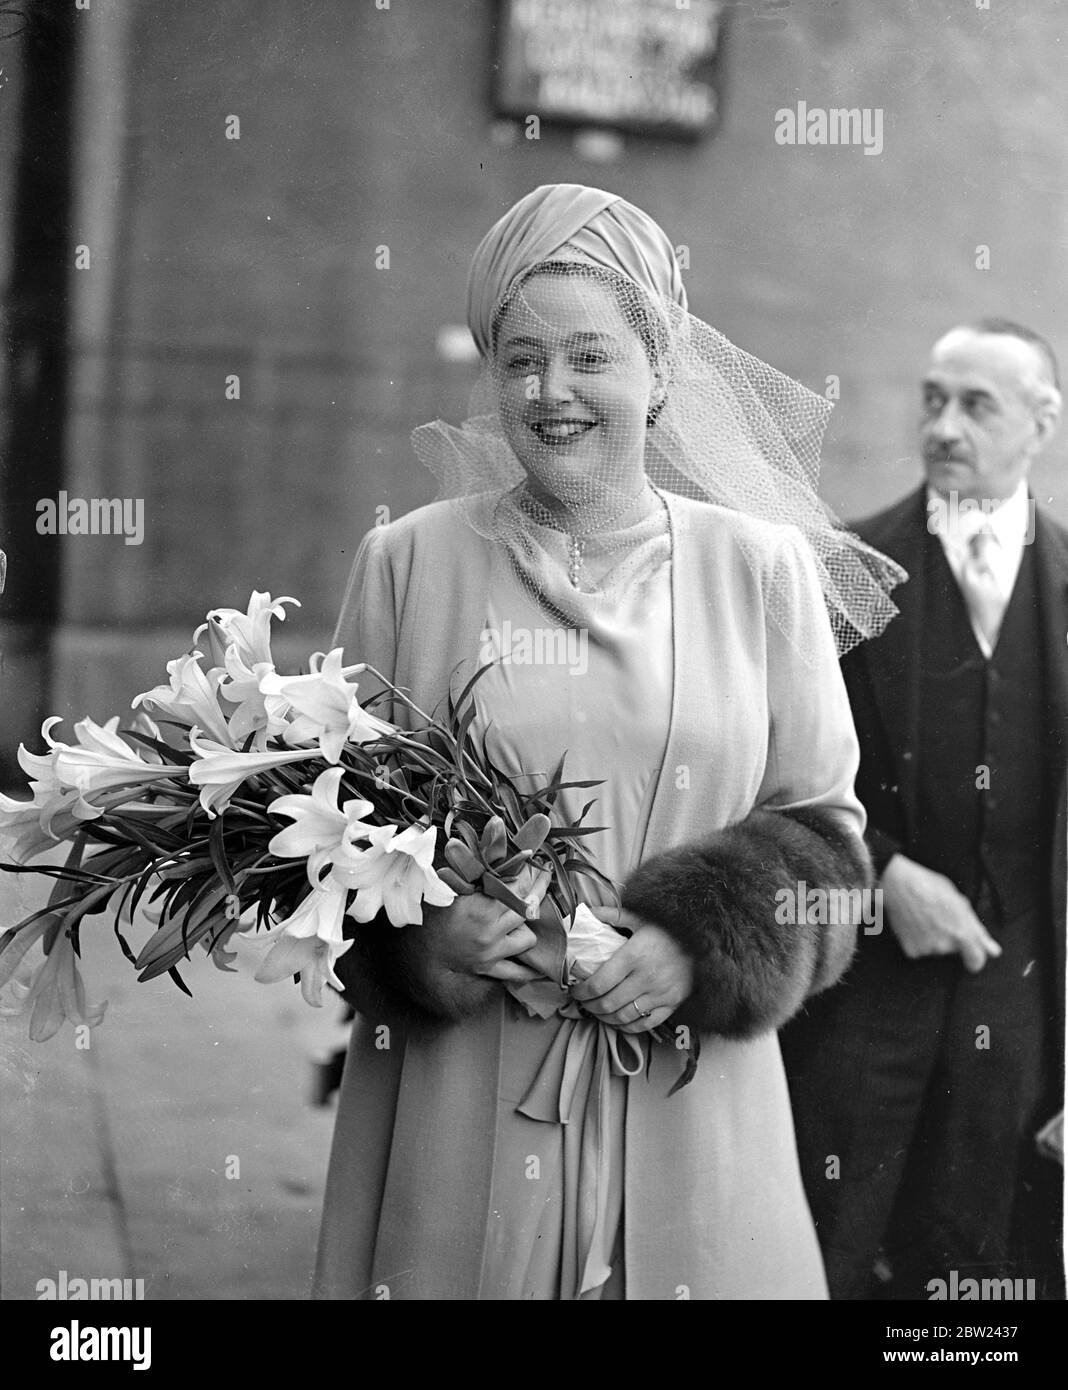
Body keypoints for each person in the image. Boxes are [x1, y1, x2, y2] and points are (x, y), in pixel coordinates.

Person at [312, 184, 899, 1301]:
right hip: (462, 1097)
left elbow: (828, 842)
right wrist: (417, 938)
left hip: (692, 1095)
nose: (552, 392)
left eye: (590, 356)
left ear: (661, 367)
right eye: (520, 358)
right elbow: (328, 834)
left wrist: (704, 944)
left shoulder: (759, 568)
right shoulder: (408, 563)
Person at [781, 319, 1068, 1300]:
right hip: (866, 983)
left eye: (976, 405)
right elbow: (788, 769)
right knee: (835, 1236)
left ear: (1043, 421)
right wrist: (890, 872)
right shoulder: (843, 566)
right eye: (933, 398)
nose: (943, 426)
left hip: (1025, 993)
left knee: (983, 1253)